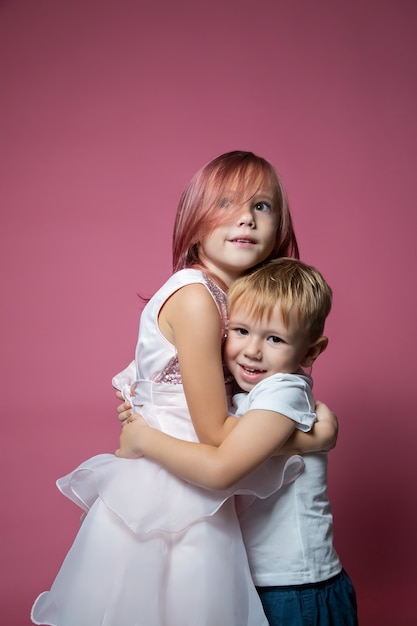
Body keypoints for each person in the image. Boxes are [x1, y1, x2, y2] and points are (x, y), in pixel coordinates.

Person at [31, 151, 336, 626]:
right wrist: (312, 437)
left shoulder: (236, 302)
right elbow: (216, 434)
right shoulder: (197, 298)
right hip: (175, 493)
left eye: (262, 206)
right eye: (226, 203)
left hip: (192, 481)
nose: (245, 218)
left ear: (280, 226)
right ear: (192, 222)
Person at [117, 257, 358, 626]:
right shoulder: (249, 394)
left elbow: (220, 470)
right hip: (258, 579)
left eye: (274, 338)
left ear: (309, 353)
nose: (252, 350)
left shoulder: (282, 391)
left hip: (295, 587)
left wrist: (144, 439)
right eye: (241, 331)